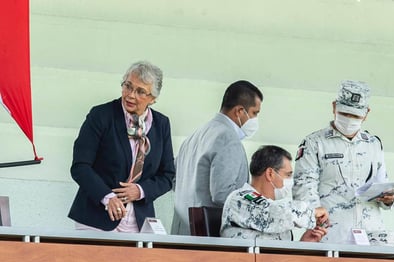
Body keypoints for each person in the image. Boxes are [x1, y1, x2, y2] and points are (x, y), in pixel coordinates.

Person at [68, 61, 175, 232]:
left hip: (139, 221)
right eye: (128, 86)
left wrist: (140, 190)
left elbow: (167, 175)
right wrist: (107, 197)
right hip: (96, 218)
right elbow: (80, 166)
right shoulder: (101, 115)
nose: (131, 95)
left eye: (140, 91)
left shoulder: (162, 124)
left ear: (152, 99)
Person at [293, 80, 394, 245]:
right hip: (331, 235)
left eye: (355, 116)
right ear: (334, 107)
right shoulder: (314, 143)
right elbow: (303, 186)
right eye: (344, 114)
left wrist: (388, 199)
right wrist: (315, 213)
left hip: (370, 237)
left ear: (366, 113)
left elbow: (382, 183)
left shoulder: (373, 144)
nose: (349, 120)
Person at [171, 80, 263, 235]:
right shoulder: (227, 138)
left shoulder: (194, 137)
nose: (255, 119)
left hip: (182, 233)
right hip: (208, 238)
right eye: (254, 113)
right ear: (239, 111)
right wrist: (258, 203)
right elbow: (222, 194)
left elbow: (174, 182)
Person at [220, 145, 328, 241]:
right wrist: (311, 211)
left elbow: (282, 257)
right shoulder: (240, 198)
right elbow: (273, 212)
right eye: (288, 175)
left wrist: (305, 243)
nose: (291, 181)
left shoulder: (280, 218)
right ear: (270, 173)